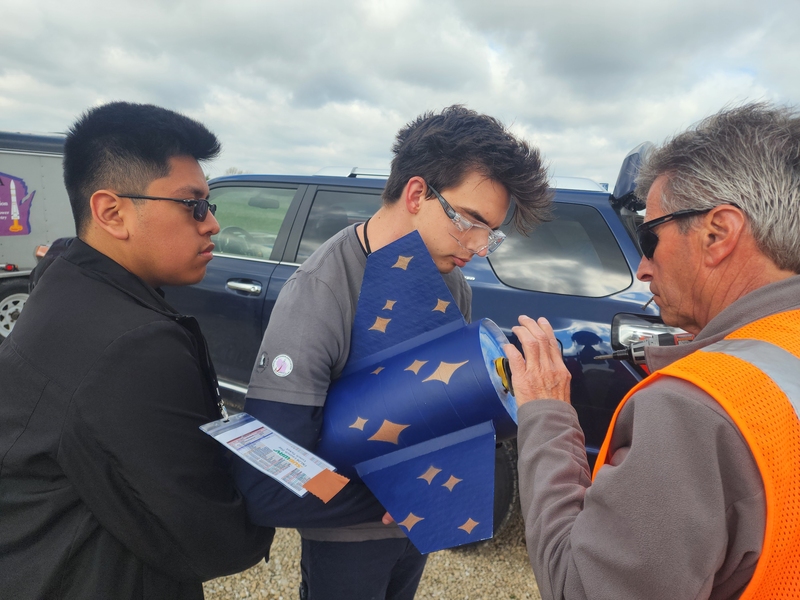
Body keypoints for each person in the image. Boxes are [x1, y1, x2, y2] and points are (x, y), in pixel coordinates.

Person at [234, 105, 552, 600]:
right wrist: (382, 502)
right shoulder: (321, 291)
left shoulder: (450, 281)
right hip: (347, 538)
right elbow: (273, 474)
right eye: (469, 221)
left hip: (415, 529)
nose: (477, 246)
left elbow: (444, 401)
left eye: (490, 233)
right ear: (417, 192)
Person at [506, 102, 800, 599]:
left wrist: (547, 411)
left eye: (649, 236)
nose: (643, 268)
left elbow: (583, 589)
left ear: (718, 233)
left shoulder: (694, 410)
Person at [0, 102, 274, 599]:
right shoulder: (134, 344)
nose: (212, 224)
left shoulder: (63, 277)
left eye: (210, 205)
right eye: (193, 205)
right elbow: (212, 538)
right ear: (112, 212)